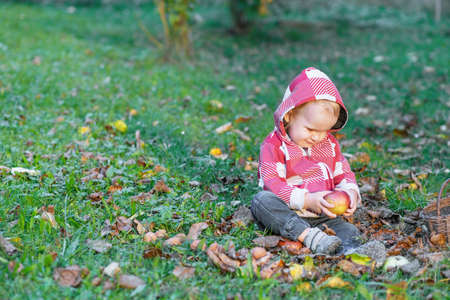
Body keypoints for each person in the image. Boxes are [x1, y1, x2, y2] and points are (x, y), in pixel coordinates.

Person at [251, 67, 362, 255]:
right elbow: (272, 184)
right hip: (288, 212)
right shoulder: (273, 146)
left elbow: (344, 174)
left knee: (350, 231)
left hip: (323, 216)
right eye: (311, 129)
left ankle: (352, 252)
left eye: (324, 130)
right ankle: (309, 237)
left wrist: (350, 193)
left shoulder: (330, 145)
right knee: (262, 201)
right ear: (289, 115)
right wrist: (307, 200)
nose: (317, 137)